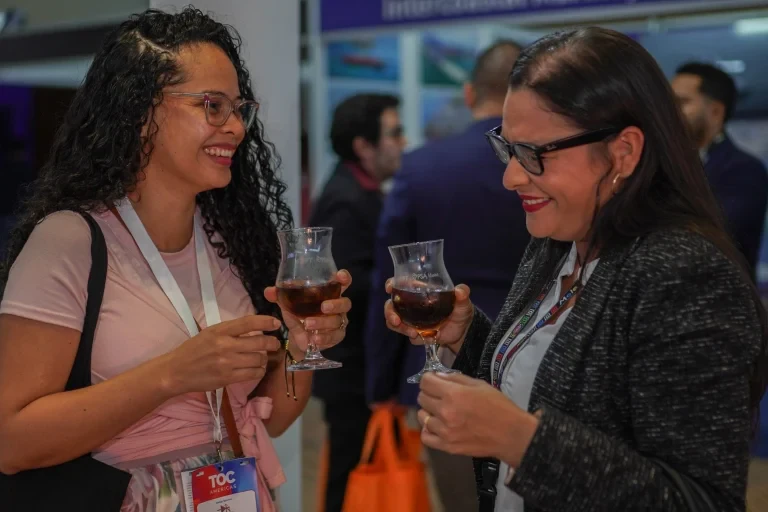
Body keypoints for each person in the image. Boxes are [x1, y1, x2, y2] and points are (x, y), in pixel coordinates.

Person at [384, 27, 767, 512]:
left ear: (623, 152)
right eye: (507, 147)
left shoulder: (683, 274)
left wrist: (520, 441)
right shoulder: (559, 241)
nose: (510, 176)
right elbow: (553, 382)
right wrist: (469, 336)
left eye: (535, 154)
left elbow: (699, 500)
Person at [0, 8, 351, 512]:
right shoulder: (70, 240)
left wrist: (301, 347)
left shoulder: (236, 242)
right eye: (212, 105)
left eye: (239, 109)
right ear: (139, 112)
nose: (235, 127)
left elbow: (266, 420)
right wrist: (173, 374)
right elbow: (13, 442)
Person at [365, 41, 528, 512]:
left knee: (463, 499)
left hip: (441, 361)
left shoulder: (422, 166)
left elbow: (389, 280)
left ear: (469, 90)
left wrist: (381, 386)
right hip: (541, 352)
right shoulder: (548, 165)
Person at [309, 93, 405, 511]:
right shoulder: (346, 198)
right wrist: (404, 281)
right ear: (364, 146)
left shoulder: (360, 190)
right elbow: (346, 281)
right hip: (352, 369)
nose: (403, 142)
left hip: (359, 364)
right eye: (394, 133)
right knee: (350, 478)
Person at [671, 61, 768, 281]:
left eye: (682, 103)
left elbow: (714, 235)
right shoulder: (672, 163)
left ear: (715, 112)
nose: (670, 113)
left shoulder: (744, 169)